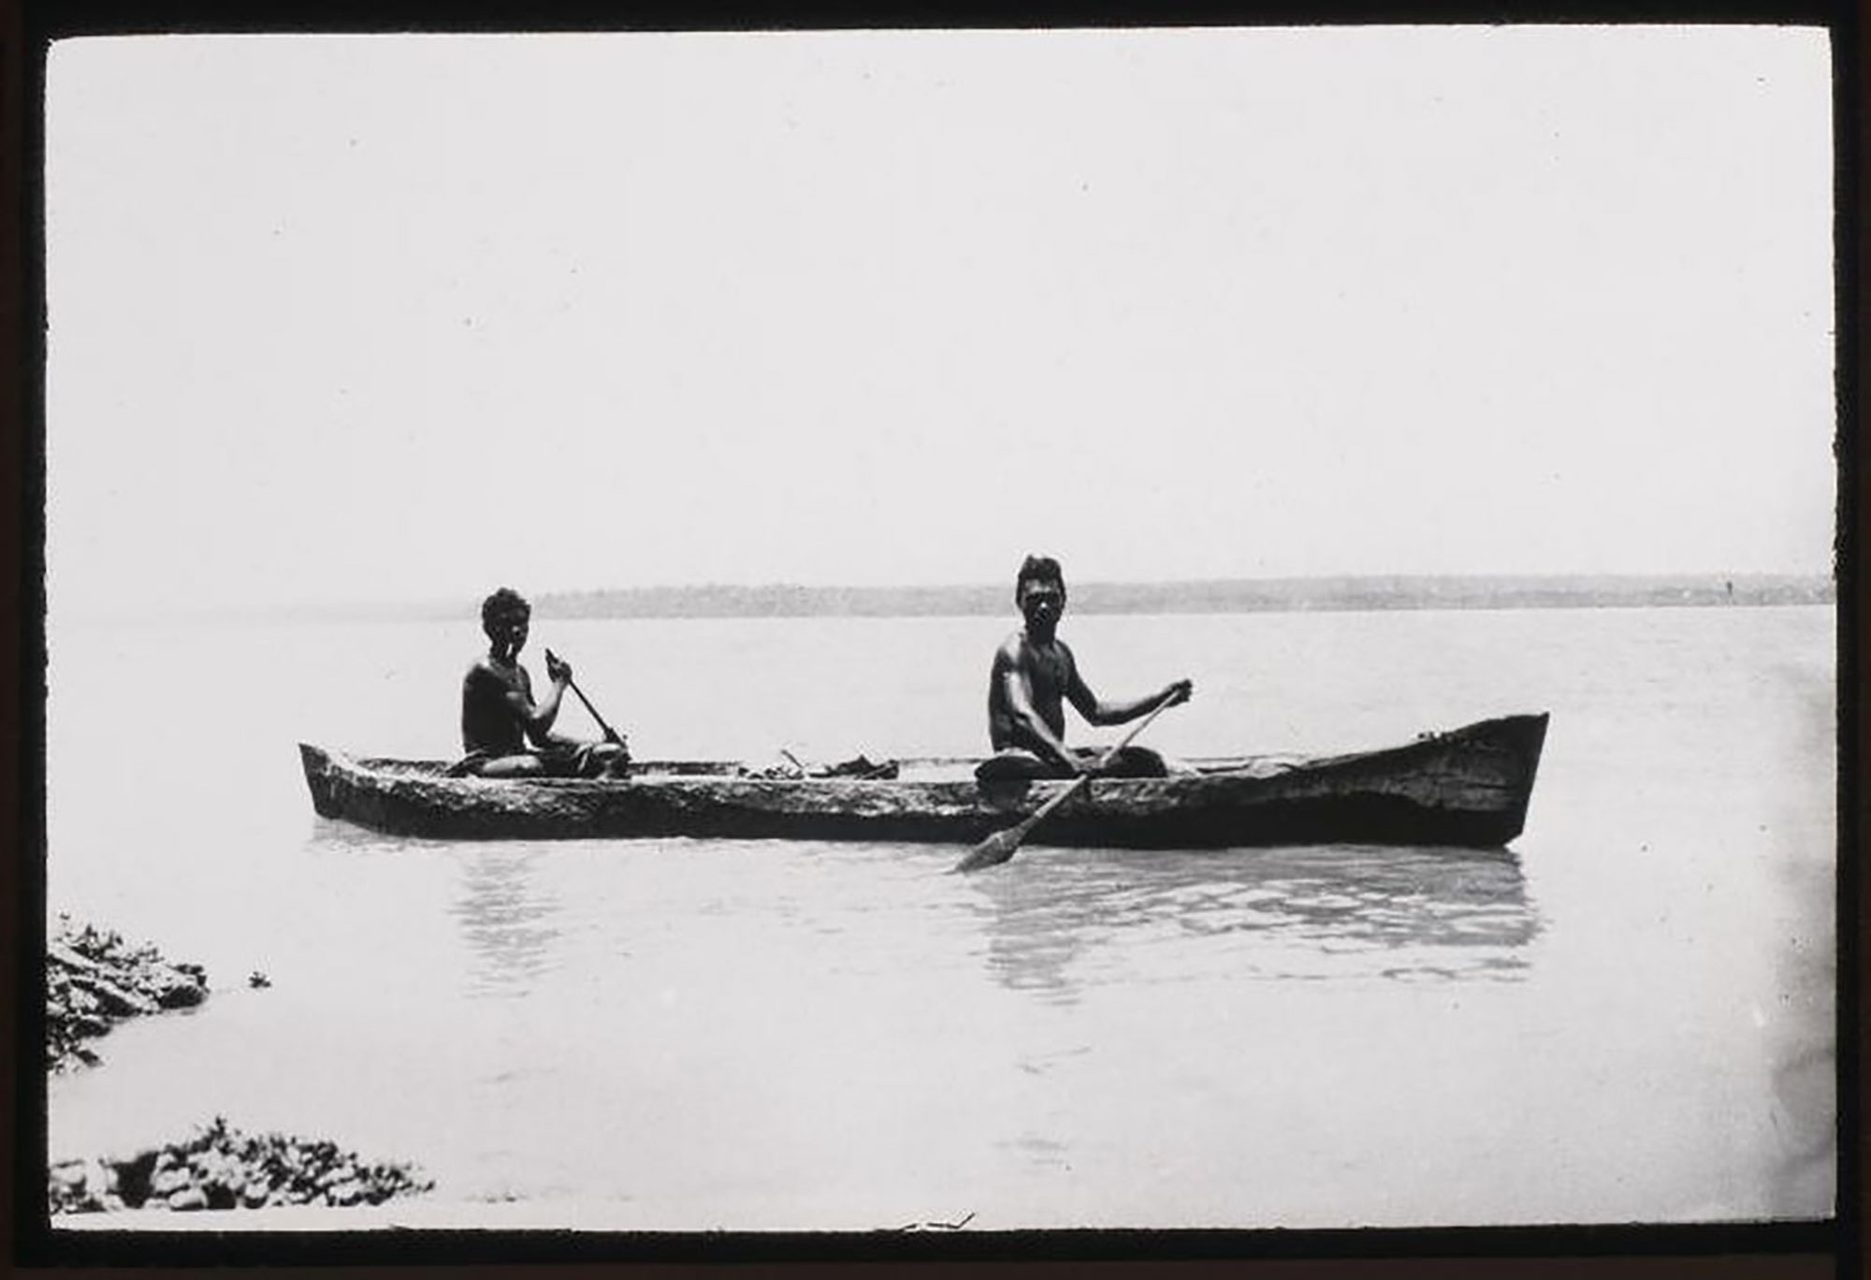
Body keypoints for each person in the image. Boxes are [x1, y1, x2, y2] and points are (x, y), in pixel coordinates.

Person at [981, 555, 1192, 782]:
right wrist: (1070, 759)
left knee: (1144, 760)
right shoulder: (1015, 650)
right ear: (1019, 602)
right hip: (1017, 761)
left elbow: (1096, 713)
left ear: (1063, 601)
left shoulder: (1061, 653)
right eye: (1034, 599)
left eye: (1051, 598)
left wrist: (1160, 699)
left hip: (1052, 758)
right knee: (1029, 764)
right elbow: (1022, 715)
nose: (1043, 607)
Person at [454, 587, 631, 778]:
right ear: (490, 628)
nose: (517, 631)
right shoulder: (485, 670)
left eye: (522, 623)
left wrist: (593, 744)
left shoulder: (520, 673)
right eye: (507, 623)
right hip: (486, 763)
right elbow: (537, 721)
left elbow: (539, 738)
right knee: (531, 767)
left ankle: (600, 799)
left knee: (610, 755)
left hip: (517, 757)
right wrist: (559, 684)